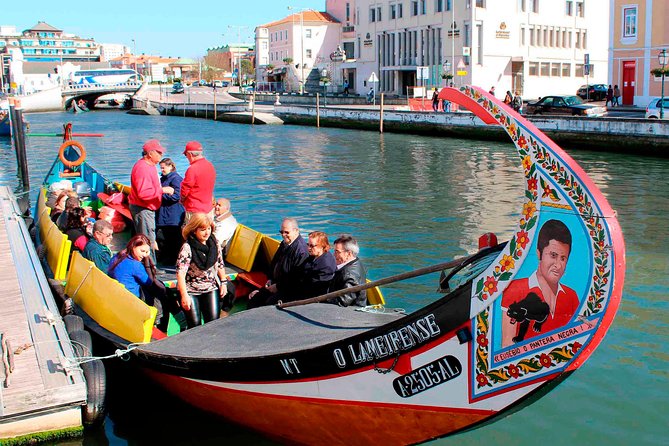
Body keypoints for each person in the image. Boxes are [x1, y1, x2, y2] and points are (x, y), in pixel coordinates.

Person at [501, 219, 579, 347]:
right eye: (553, 255)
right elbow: (507, 344)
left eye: (563, 258)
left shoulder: (572, 297)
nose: (558, 265)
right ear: (539, 254)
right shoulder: (515, 289)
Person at [176, 213, 227, 329]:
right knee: (195, 325)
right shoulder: (187, 248)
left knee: (213, 323)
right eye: (203, 230)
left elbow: (219, 264)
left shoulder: (215, 244)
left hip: (210, 288)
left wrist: (223, 283)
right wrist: (184, 296)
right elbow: (180, 273)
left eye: (208, 229)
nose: (207, 232)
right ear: (194, 230)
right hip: (191, 290)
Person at [247, 218, 309, 308]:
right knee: (254, 298)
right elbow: (274, 264)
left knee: (269, 303)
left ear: (296, 231)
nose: (283, 235)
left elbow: (296, 279)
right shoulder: (284, 244)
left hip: (289, 290)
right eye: (282, 232)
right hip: (276, 284)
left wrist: (278, 287)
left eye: (287, 232)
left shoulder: (301, 251)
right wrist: (270, 279)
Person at [128, 139, 173, 263]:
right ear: (150, 154)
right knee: (147, 240)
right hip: (143, 208)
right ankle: (150, 269)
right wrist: (163, 190)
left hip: (147, 208)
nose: (161, 154)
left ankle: (149, 266)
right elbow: (144, 193)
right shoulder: (143, 168)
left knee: (149, 238)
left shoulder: (151, 166)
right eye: (159, 152)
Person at [108, 234, 166, 327]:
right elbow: (149, 282)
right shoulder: (135, 265)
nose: (144, 255)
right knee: (159, 290)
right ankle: (158, 320)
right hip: (132, 301)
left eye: (147, 252)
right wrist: (147, 262)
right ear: (133, 247)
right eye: (142, 251)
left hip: (117, 295)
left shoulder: (117, 256)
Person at [156, 158, 185, 265]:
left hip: (173, 215)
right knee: (163, 237)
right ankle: (164, 257)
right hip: (163, 214)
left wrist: (160, 194)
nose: (162, 170)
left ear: (171, 166)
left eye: (163, 167)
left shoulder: (176, 179)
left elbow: (177, 196)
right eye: (161, 168)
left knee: (172, 238)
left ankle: (172, 260)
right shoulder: (163, 179)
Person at [327, 235, 367, 307]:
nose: (334, 254)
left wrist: (323, 299)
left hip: (350, 313)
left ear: (349, 253)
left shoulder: (349, 274)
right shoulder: (357, 262)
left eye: (337, 252)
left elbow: (343, 301)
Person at [181, 141, 216, 222]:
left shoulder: (192, 169)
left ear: (189, 154)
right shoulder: (210, 166)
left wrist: (182, 200)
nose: (187, 157)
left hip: (194, 209)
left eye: (186, 155)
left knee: (192, 233)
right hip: (208, 208)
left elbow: (185, 189)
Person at [297, 231, 337, 300]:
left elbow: (316, 289)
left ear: (322, 246)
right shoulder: (313, 256)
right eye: (308, 244)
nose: (309, 248)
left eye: (312, 246)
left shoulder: (326, 266)